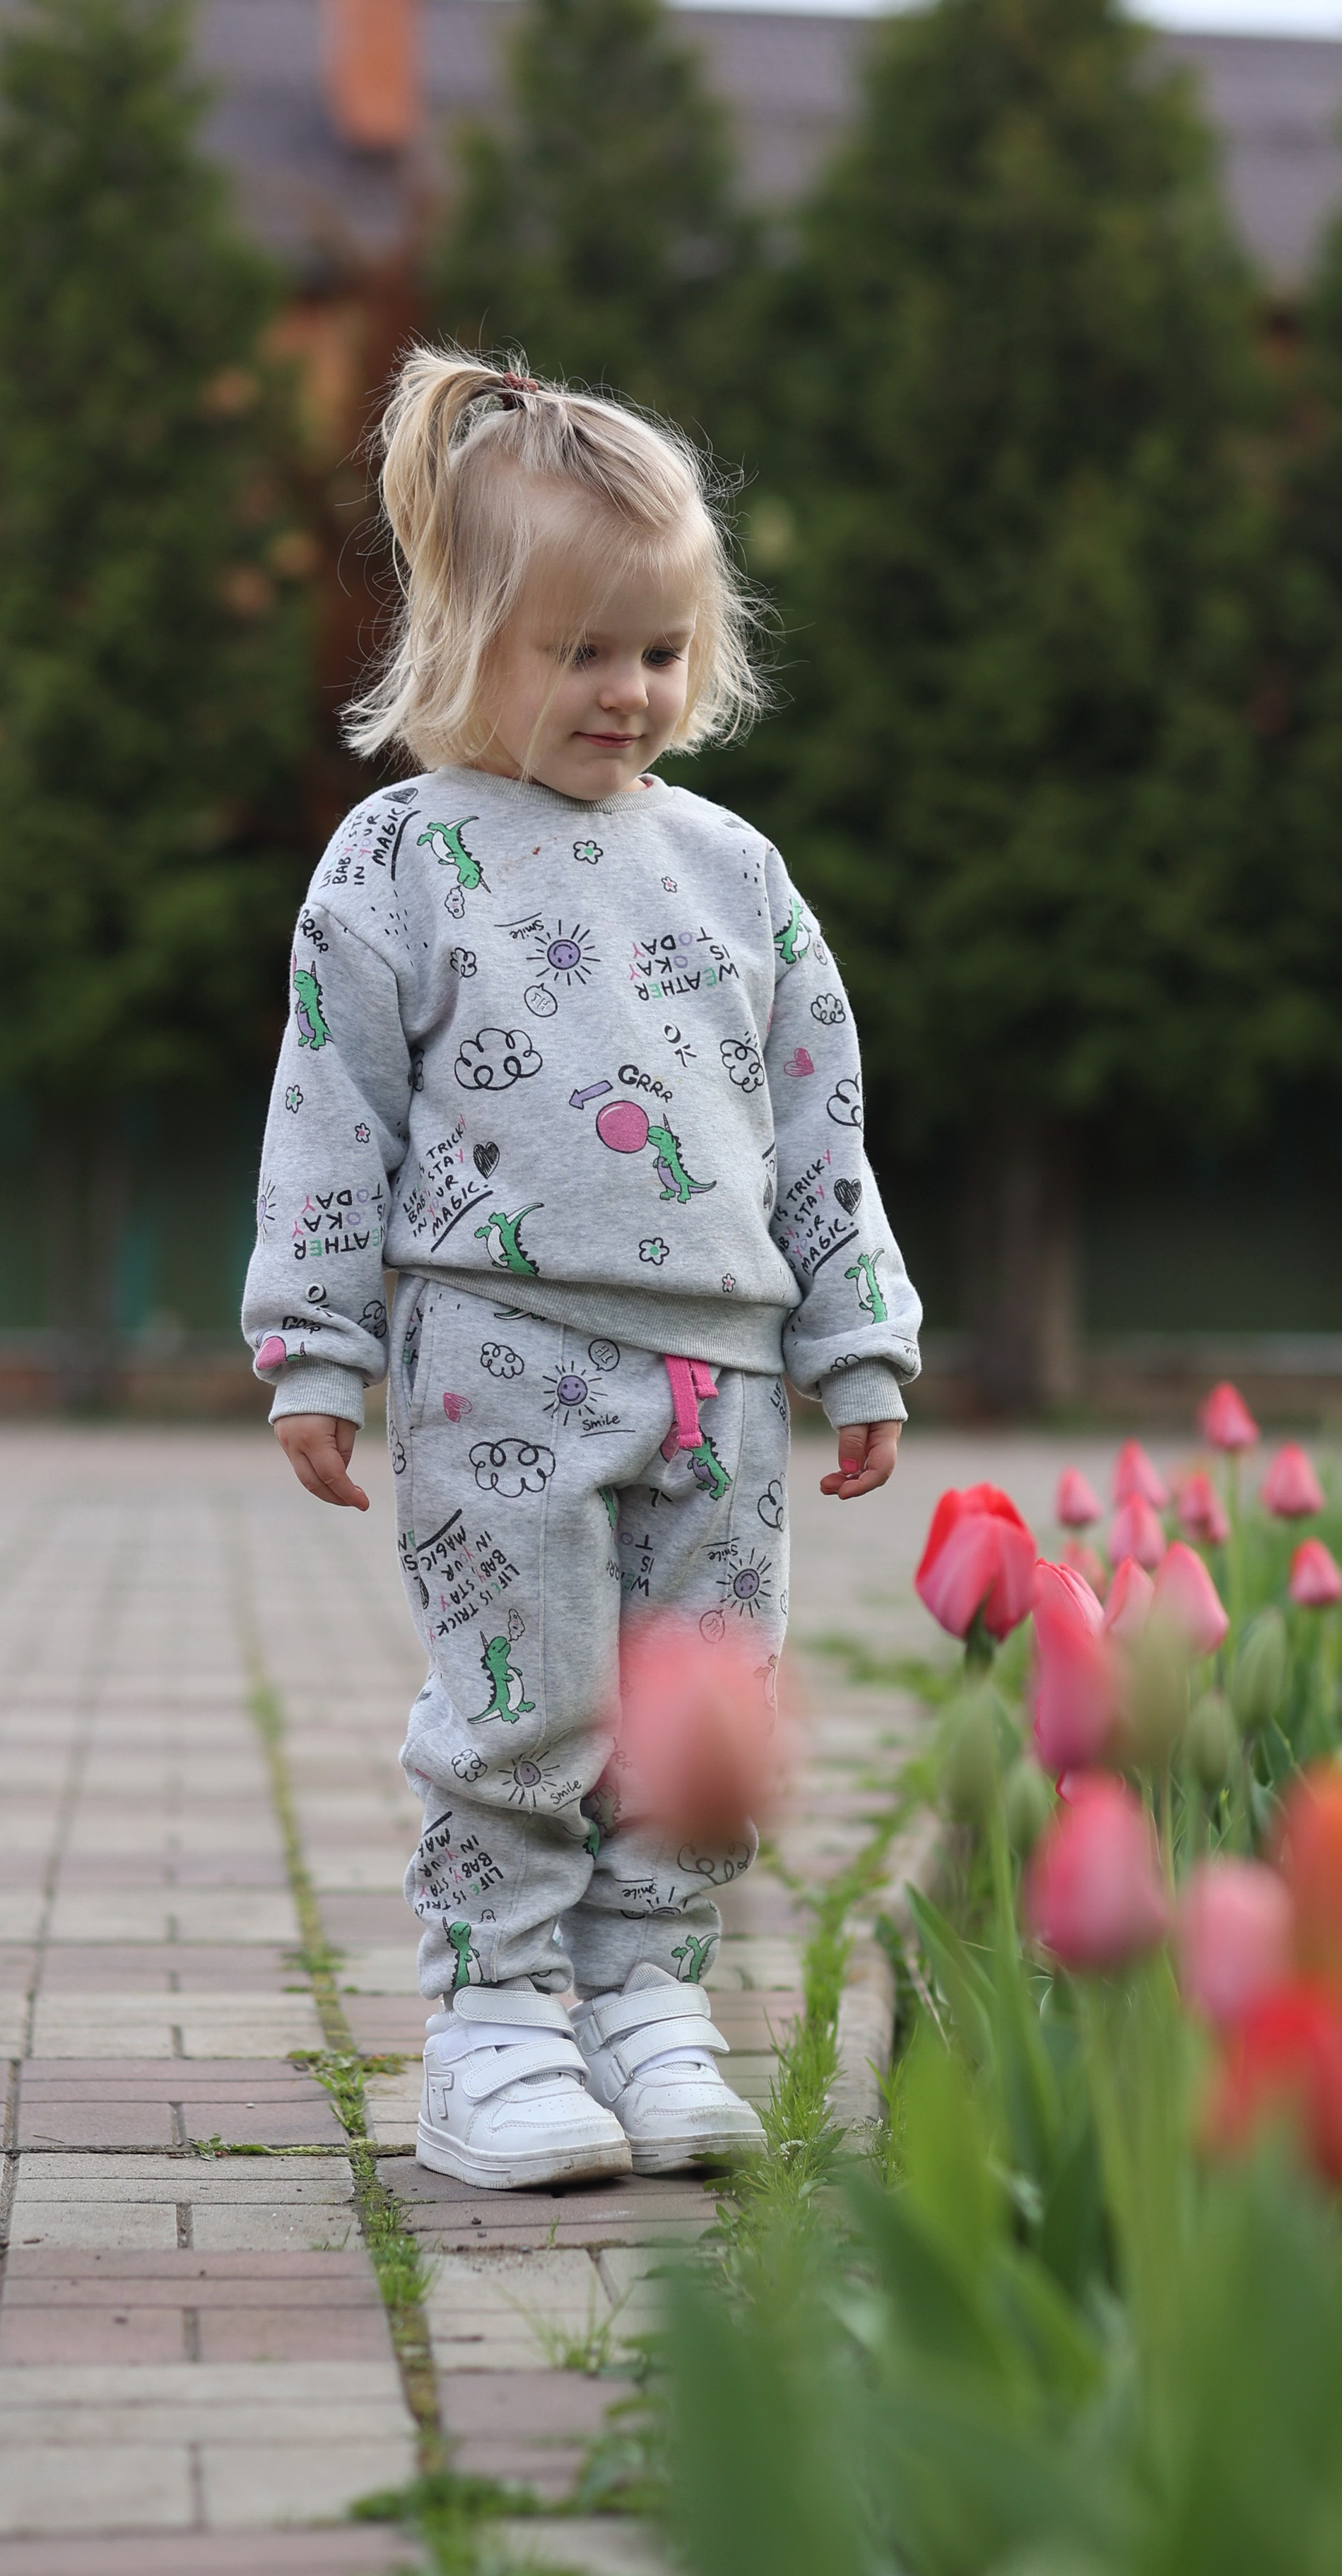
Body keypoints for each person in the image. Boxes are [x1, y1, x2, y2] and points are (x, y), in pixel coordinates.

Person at [243, 348, 921, 2190]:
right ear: (470, 641)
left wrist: (855, 1337)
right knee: (525, 1694)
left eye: (660, 651)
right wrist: (314, 1351)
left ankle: (650, 2002)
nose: (629, 694)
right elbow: (333, 1110)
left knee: (704, 1699)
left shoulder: (736, 873)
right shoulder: (402, 860)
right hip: (501, 1354)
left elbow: (816, 1117)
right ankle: (498, 2025)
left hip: (724, 1373)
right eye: (582, 651)